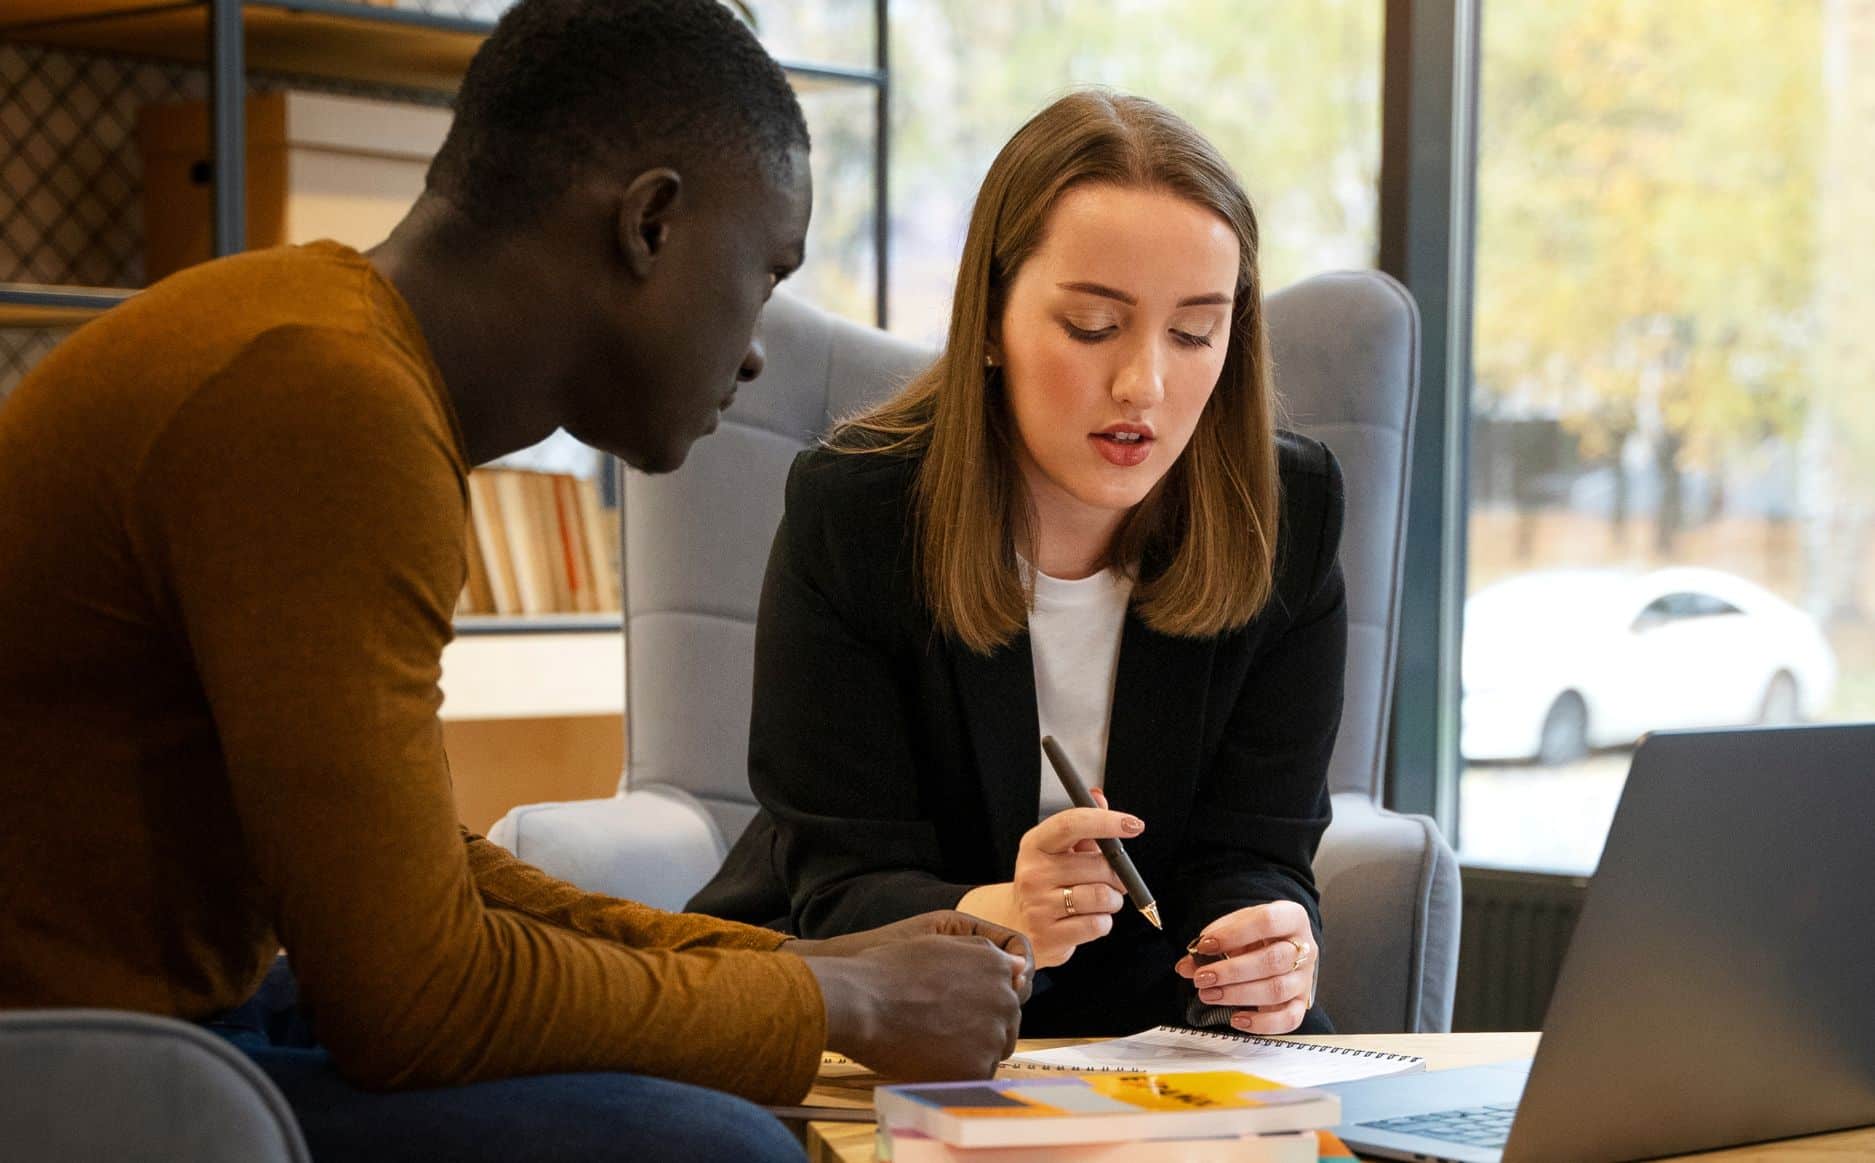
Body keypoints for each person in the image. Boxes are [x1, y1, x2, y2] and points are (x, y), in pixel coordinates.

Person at [0, 2, 1030, 1160]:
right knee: (720, 1150)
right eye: (764, 275)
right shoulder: (324, 405)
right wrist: (852, 1004)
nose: (753, 348)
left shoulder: (329, 353)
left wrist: (793, 964)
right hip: (62, 1062)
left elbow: (425, 878)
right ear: (651, 222)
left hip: (170, 1016)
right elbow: (416, 999)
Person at [689, 89, 1345, 1040]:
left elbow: (1258, 847)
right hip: (883, 991)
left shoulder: (1285, 514)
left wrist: (1263, 946)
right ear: (991, 318)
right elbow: (841, 883)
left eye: (1195, 331)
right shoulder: (858, 512)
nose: (1144, 385)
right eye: (1090, 325)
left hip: (1154, 1021)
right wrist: (1003, 915)